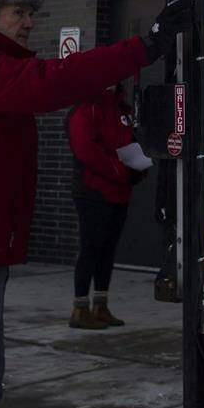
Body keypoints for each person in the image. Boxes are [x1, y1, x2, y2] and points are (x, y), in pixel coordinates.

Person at [0, 0, 194, 408]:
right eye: (19, 12)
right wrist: (145, 45)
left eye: (31, 12)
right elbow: (53, 82)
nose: (30, 22)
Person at [67, 84, 149, 330]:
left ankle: (100, 305)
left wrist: (138, 166)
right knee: (90, 249)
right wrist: (123, 172)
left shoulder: (121, 107)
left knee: (107, 250)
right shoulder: (85, 108)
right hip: (93, 191)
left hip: (119, 191)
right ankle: (80, 308)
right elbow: (87, 151)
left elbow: (129, 139)